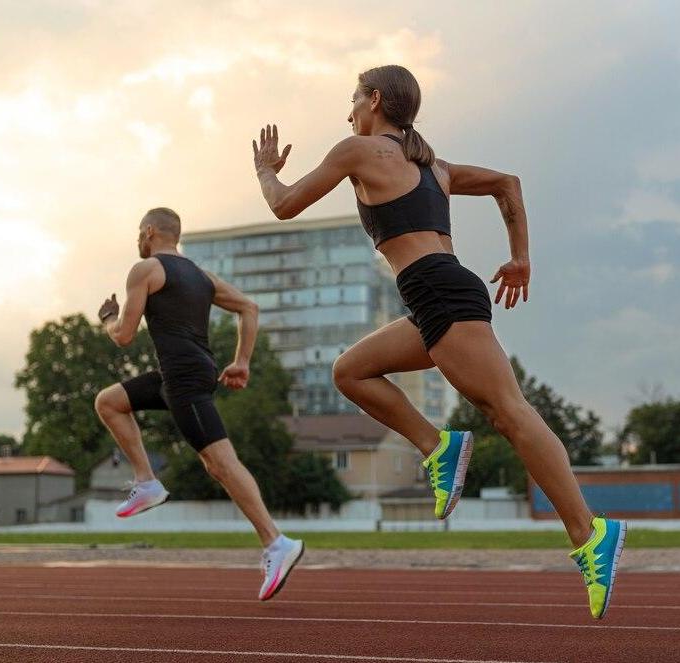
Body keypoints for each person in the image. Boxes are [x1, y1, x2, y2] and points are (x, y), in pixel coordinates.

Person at [251, 65, 625, 619]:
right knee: (350, 371)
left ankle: (589, 534)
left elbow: (283, 205)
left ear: (375, 101)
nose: (347, 112)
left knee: (511, 413)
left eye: (353, 100)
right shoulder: (435, 167)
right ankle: (437, 446)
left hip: (439, 292)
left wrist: (264, 171)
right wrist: (520, 256)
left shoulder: (358, 149)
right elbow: (508, 183)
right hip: (435, 297)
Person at [94, 207, 304, 601]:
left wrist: (108, 318)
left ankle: (277, 543)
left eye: (139, 233)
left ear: (151, 231)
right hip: (180, 375)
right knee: (108, 402)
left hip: (185, 379)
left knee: (221, 464)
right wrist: (241, 361)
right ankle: (147, 482)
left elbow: (123, 335)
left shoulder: (145, 271)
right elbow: (249, 307)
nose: (138, 240)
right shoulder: (201, 276)